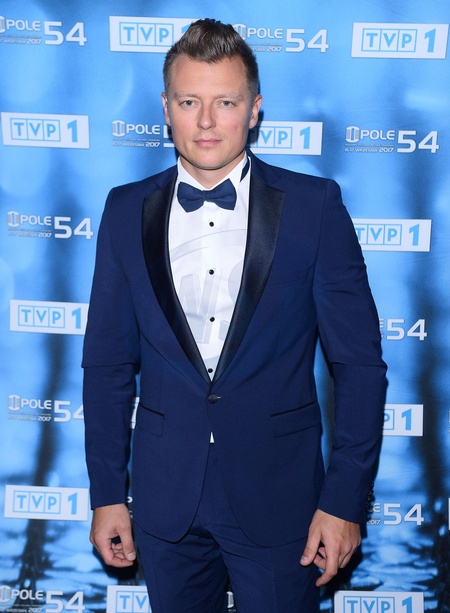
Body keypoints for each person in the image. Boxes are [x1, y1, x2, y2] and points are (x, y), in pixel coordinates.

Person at [83, 18, 387, 613]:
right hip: (165, 499)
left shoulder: (314, 208)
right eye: (188, 101)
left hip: (282, 499)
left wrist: (344, 501)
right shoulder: (124, 210)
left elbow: (359, 366)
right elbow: (107, 366)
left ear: (254, 110)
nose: (205, 121)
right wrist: (106, 494)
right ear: (165, 107)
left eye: (224, 102)